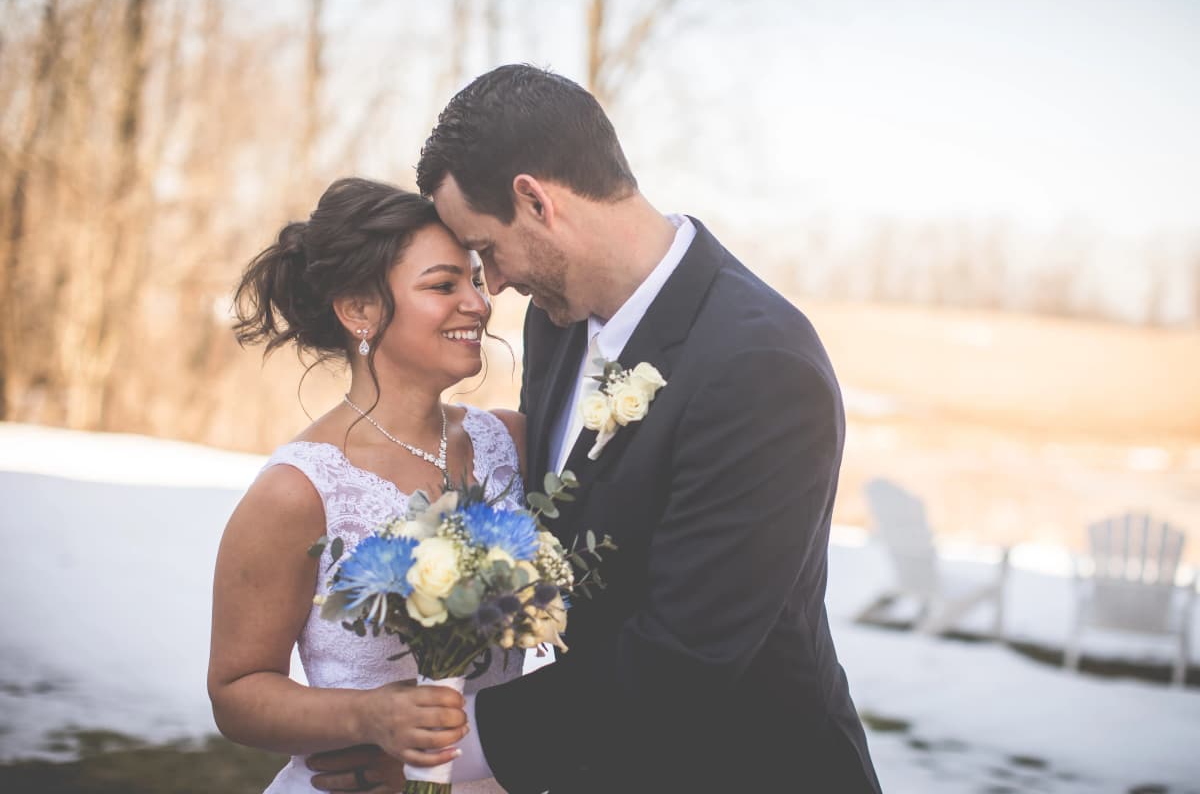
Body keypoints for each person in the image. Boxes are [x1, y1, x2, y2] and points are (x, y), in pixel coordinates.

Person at [316, 65, 882, 793]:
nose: (495, 285)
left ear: (535, 200)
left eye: (486, 249)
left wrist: (442, 749)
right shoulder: (557, 325)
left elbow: (686, 657)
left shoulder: (761, 367)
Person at [208, 177, 528, 793]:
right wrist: (368, 716)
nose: (479, 304)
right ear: (359, 310)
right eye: (444, 285)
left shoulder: (509, 444)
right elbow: (236, 692)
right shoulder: (297, 491)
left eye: (476, 281)